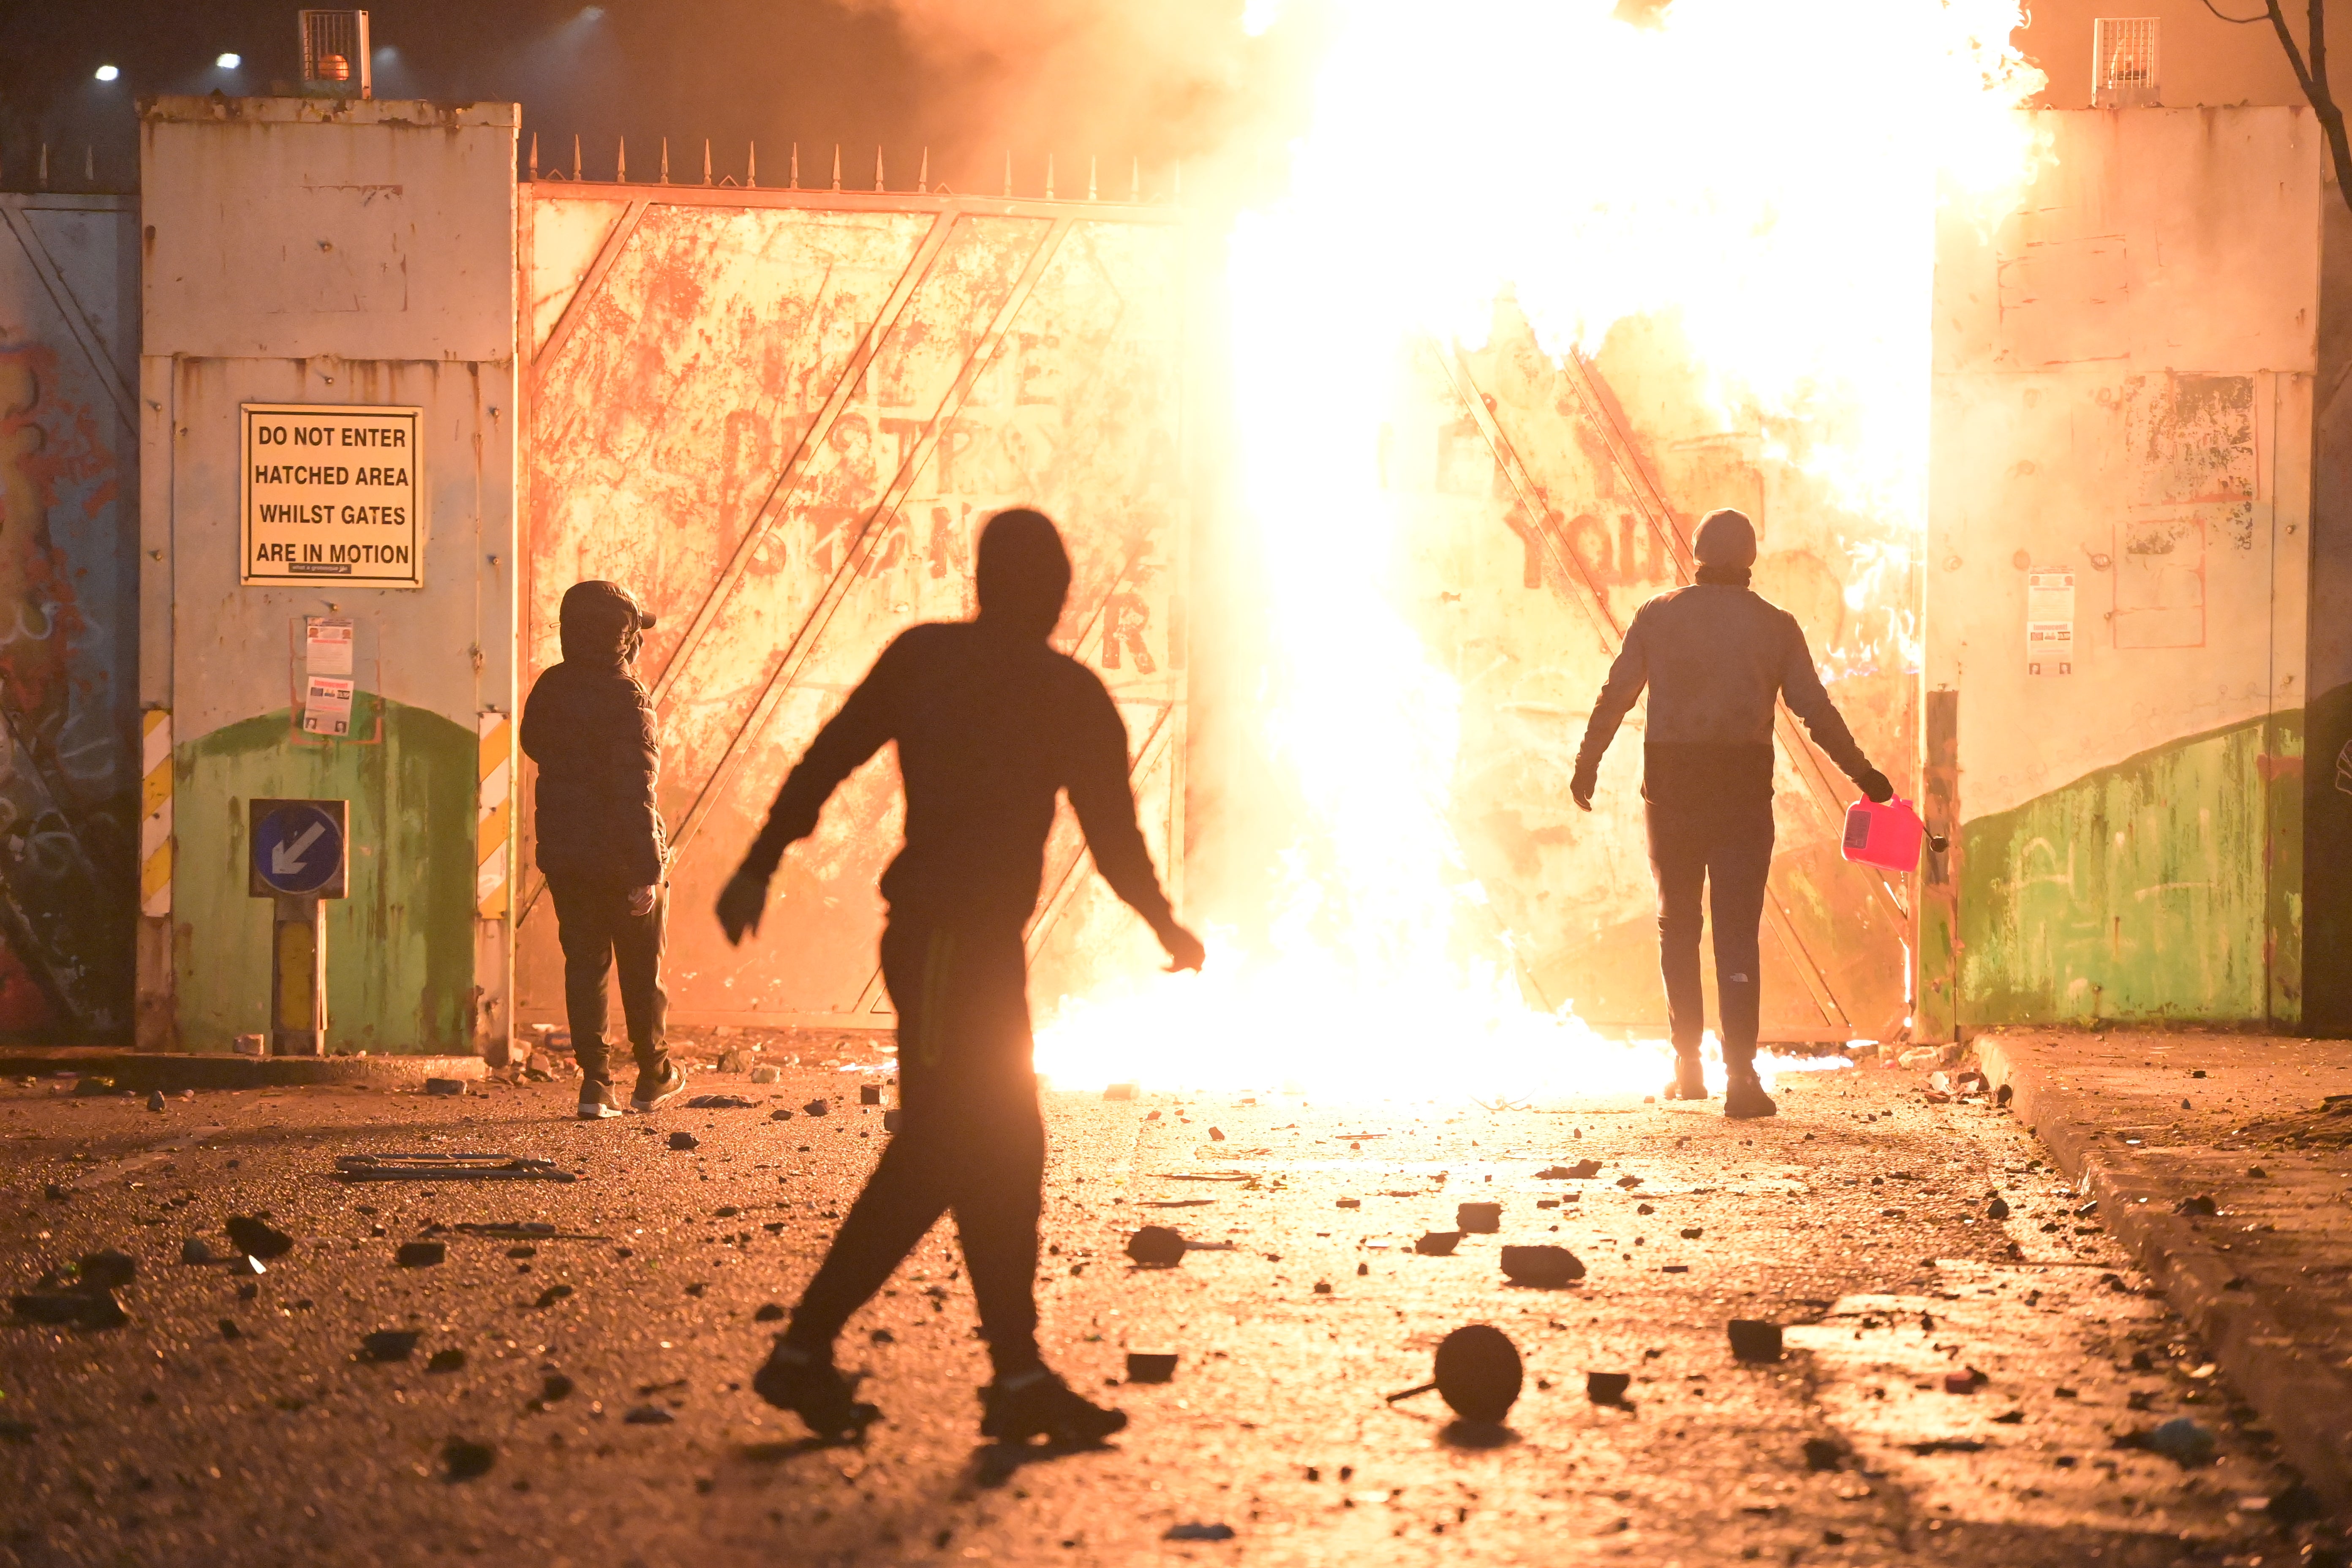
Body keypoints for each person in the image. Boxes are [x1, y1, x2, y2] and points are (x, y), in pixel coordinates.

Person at [717, 508, 1205, 1447]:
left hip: (965, 950)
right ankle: (811, 1350)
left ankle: (1014, 1375)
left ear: (982, 582)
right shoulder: (1068, 693)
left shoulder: (927, 660)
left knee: (1003, 1149)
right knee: (951, 1144)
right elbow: (1114, 837)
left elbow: (828, 756)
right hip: (950, 945)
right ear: (1057, 594)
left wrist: (761, 858)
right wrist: (1163, 922)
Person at [1571, 509, 1891, 1120]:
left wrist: (1588, 762)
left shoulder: (1657, 615)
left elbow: (1616, 694)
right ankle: (1742, 1077)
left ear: (1696, 553)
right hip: (1742, 790)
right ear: (1749, 560)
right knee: (1737, 933)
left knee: (1678, 925)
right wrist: (1866, 776)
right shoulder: (1776, 626)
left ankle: (1687, 1068)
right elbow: (1815, 712)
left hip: (1671, 788)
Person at [519, 580, 687, 1120]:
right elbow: (637, 789)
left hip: (567, 856)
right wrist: (646, 869)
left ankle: (596, 1085)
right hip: (622, 857)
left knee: (585, 964)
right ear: (626, 637)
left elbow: (533, 745)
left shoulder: (550, 688)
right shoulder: (629, 697)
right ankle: (653, 1075)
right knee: (641, 968)